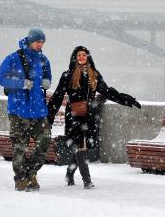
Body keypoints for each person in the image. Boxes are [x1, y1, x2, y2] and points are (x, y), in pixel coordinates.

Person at [47, 46, 141, 189]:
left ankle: (69, 173)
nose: (81, 57)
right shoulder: (68, 75)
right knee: (80, 146)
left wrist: (126, 100)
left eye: (84, 55)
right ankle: (87, 180)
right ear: (75, 57)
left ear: (88, 57)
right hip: (74, 115)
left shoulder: (94, 75)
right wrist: (49, 117)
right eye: (79, 55)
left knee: (81, 146)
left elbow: (107, 91)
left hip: (88, 115)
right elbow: (58, 96)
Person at [0, 28, 52, 191]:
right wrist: (20, 83)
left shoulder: (43, 59)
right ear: (29, 41)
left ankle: (31, 173)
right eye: (38, 41)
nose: (40, 45)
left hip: (39, 111)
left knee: (44, 141)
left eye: (42, 42)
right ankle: (20, 178)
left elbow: (48, 75)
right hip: (19, 111)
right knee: (20, 147)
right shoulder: (14, 58)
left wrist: (47, 81)